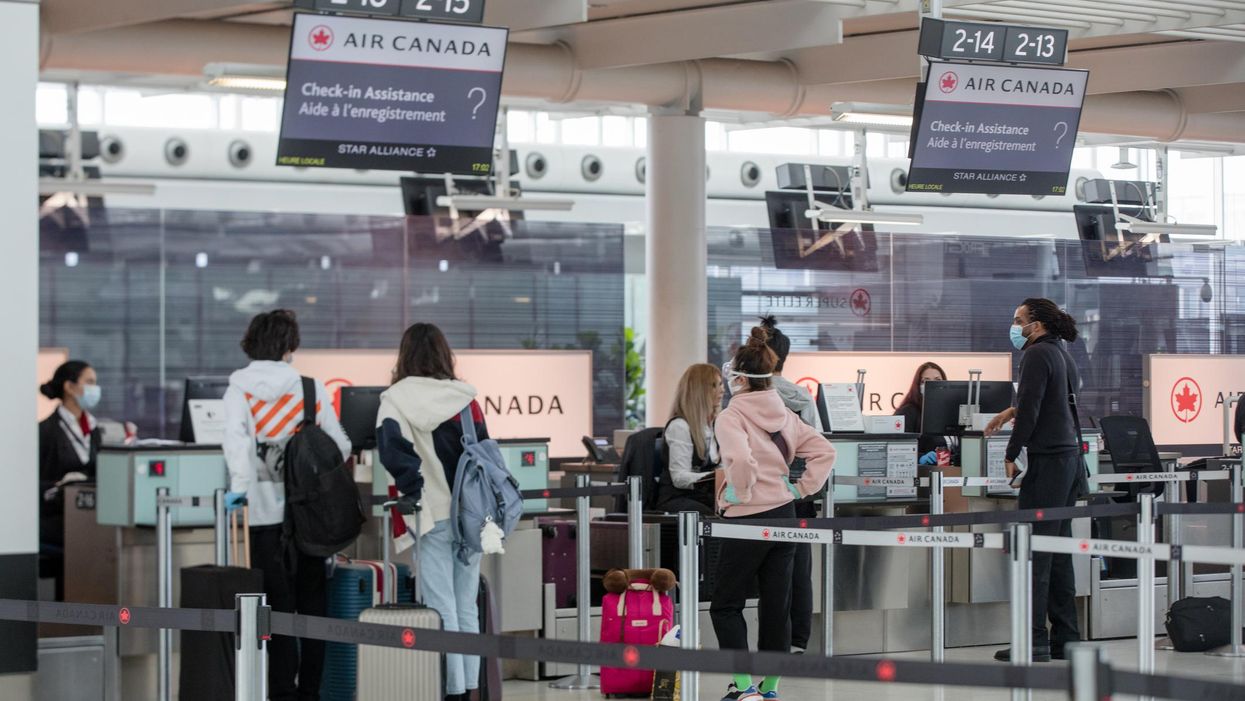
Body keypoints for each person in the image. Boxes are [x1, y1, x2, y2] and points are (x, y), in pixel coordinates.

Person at [222, 309, 351, 700]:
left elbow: (237, 445)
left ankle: (279, 690)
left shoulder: (238, 390)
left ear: (250, 342)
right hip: (309, 517)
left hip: (262, 517)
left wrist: (241, 488)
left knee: (271, 607)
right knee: (314, 607)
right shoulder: (310, 389)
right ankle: (310, 691)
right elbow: (340, 446)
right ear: (289, 346)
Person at [712, 326, 835, 701]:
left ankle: (744, 686)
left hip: (745, 519)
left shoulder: (731, 416)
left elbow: (740, 460)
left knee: (726, 605)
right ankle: (770, 688)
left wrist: (742, 490)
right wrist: (798, 489)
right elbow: (824, 452)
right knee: (775, 604)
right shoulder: (786, 413)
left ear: (740, 378)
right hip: (784, 512)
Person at [376, 322, 489, 701]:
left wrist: (414, 489)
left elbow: (393, 455)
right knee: (466, 606)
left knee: (440, 606)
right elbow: (483, 453)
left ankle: (450, 690)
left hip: (429, 514)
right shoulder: (465, 399)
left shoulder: (395, 400)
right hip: (471, 515)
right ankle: (471, 688)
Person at [985, 298, 1086, 663]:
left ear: (1037, 325)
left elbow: (1032, 409)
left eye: (1019, 320)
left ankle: (1033, 641)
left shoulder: (1035, 355)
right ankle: (1066, 637)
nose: (1014, 327)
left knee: (1035, 555)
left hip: (1048, 464)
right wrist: (1010, 410)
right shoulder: (1060, 353)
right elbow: (1048, 401)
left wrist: (1011, 454)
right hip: (1069, 461)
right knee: (1058, 553)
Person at [758, 315, 819, 655]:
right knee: (796, 569)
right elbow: (817, 441)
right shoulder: (799, 395)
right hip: (795, 491)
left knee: (768, 569)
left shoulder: (741, 395)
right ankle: (796, 640)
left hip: (757, 493)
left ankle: (776, 641)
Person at [39, 360, 102, 600]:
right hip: (56, 517)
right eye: (89, 382)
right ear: (69, 387)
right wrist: (57, 488)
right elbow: (32, 485)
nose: (95, 389)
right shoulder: (46, 431)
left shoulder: (94, 429)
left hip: (88, 514)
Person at [655, 363, 723, 515]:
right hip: (677, 498)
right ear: (699, 391)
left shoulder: (713, 426)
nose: (722, 390)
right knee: (714, 518)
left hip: (701, 497)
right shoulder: (680, 427)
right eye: (714, 385)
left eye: (721, 384)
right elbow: (679, 477)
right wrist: (715, 477)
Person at [894, 362, 958, 464]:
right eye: (926, 381)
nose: (933, 385)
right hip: (923, 474)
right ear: (918, 386)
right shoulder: (907, 412)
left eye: (938, 380)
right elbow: (897, 448)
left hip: (952, 473)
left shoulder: (952, 412)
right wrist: (920, 457)